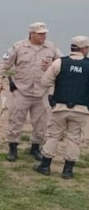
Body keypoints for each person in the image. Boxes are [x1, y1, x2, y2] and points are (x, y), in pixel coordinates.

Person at [0, 22, 61, 162]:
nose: (43, 36)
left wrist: (52, 66)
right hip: (21, 90)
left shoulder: (51, 48)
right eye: (40, 33)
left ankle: (35, 147)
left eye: (44, 33)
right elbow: (4, 63)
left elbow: (62, 63)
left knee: (41, 123)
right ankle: (13, 148)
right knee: (16, 120)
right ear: (32, 34)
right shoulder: (18, 47)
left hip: (42, 92)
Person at [33, 36, 89, 179]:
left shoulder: (60, 62)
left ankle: (45, 166)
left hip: (60, 106)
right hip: (81, 109)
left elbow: (45, 81)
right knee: (74, 138)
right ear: (83, 49)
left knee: (53, 135)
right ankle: (68, 170)